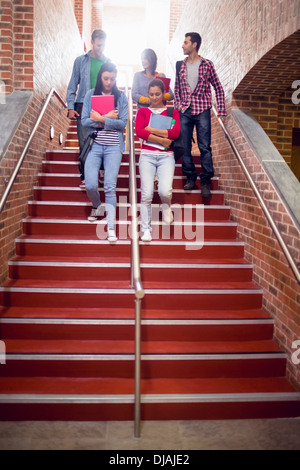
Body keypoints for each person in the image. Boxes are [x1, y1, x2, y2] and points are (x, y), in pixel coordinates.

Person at [174, 32, 226, 197]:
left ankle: (205, 181)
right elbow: (177, 89)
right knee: (184, 146)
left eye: (185, 42)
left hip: (202, 109)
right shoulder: (180, 65)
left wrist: (221, 110)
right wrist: (178, 105)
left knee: (204, 146)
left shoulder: (207, 64)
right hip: (185, 110)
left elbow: (218, 87)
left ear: (194, 44)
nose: (182, 45)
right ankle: (190, 177)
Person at [81, 63, 128, 243]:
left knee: (109, 186)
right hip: (95, 144)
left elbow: (122, 123)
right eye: (106, 78)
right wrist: (108, 117)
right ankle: (96, 206)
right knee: (91, 184)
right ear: (100, 77)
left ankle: (110, 228)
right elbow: (85, 121)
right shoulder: (90, 95)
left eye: (113, 79)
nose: (109, 83)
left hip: (114, 146)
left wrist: (100, 118)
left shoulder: (121, 97)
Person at [135, 79, 180, 242]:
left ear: (163, 94)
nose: (154, 98)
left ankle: (166, 206)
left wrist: (152, 130)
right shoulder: (142, 112)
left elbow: (175, 132)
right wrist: (162, 138)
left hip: (166, 157)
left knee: (164, 191)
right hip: (147, 156)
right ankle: (145, 229)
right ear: (148, 94)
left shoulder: (171, 112)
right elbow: (139, 131)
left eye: (157, 94)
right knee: (146, 194)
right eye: (151, 94)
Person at [67, 29, 110, 155]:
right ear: (92, 42)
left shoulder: (108, 62)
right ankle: (86, 175)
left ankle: (98, 173)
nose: (101, 48)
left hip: (103, 109)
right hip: (84, 107)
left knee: (102, 145)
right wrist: (70, 107)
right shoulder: (80, 61)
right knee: (84, 145)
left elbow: (112, 87)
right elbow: (72, 85)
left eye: (104, 45)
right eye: (99, 45)